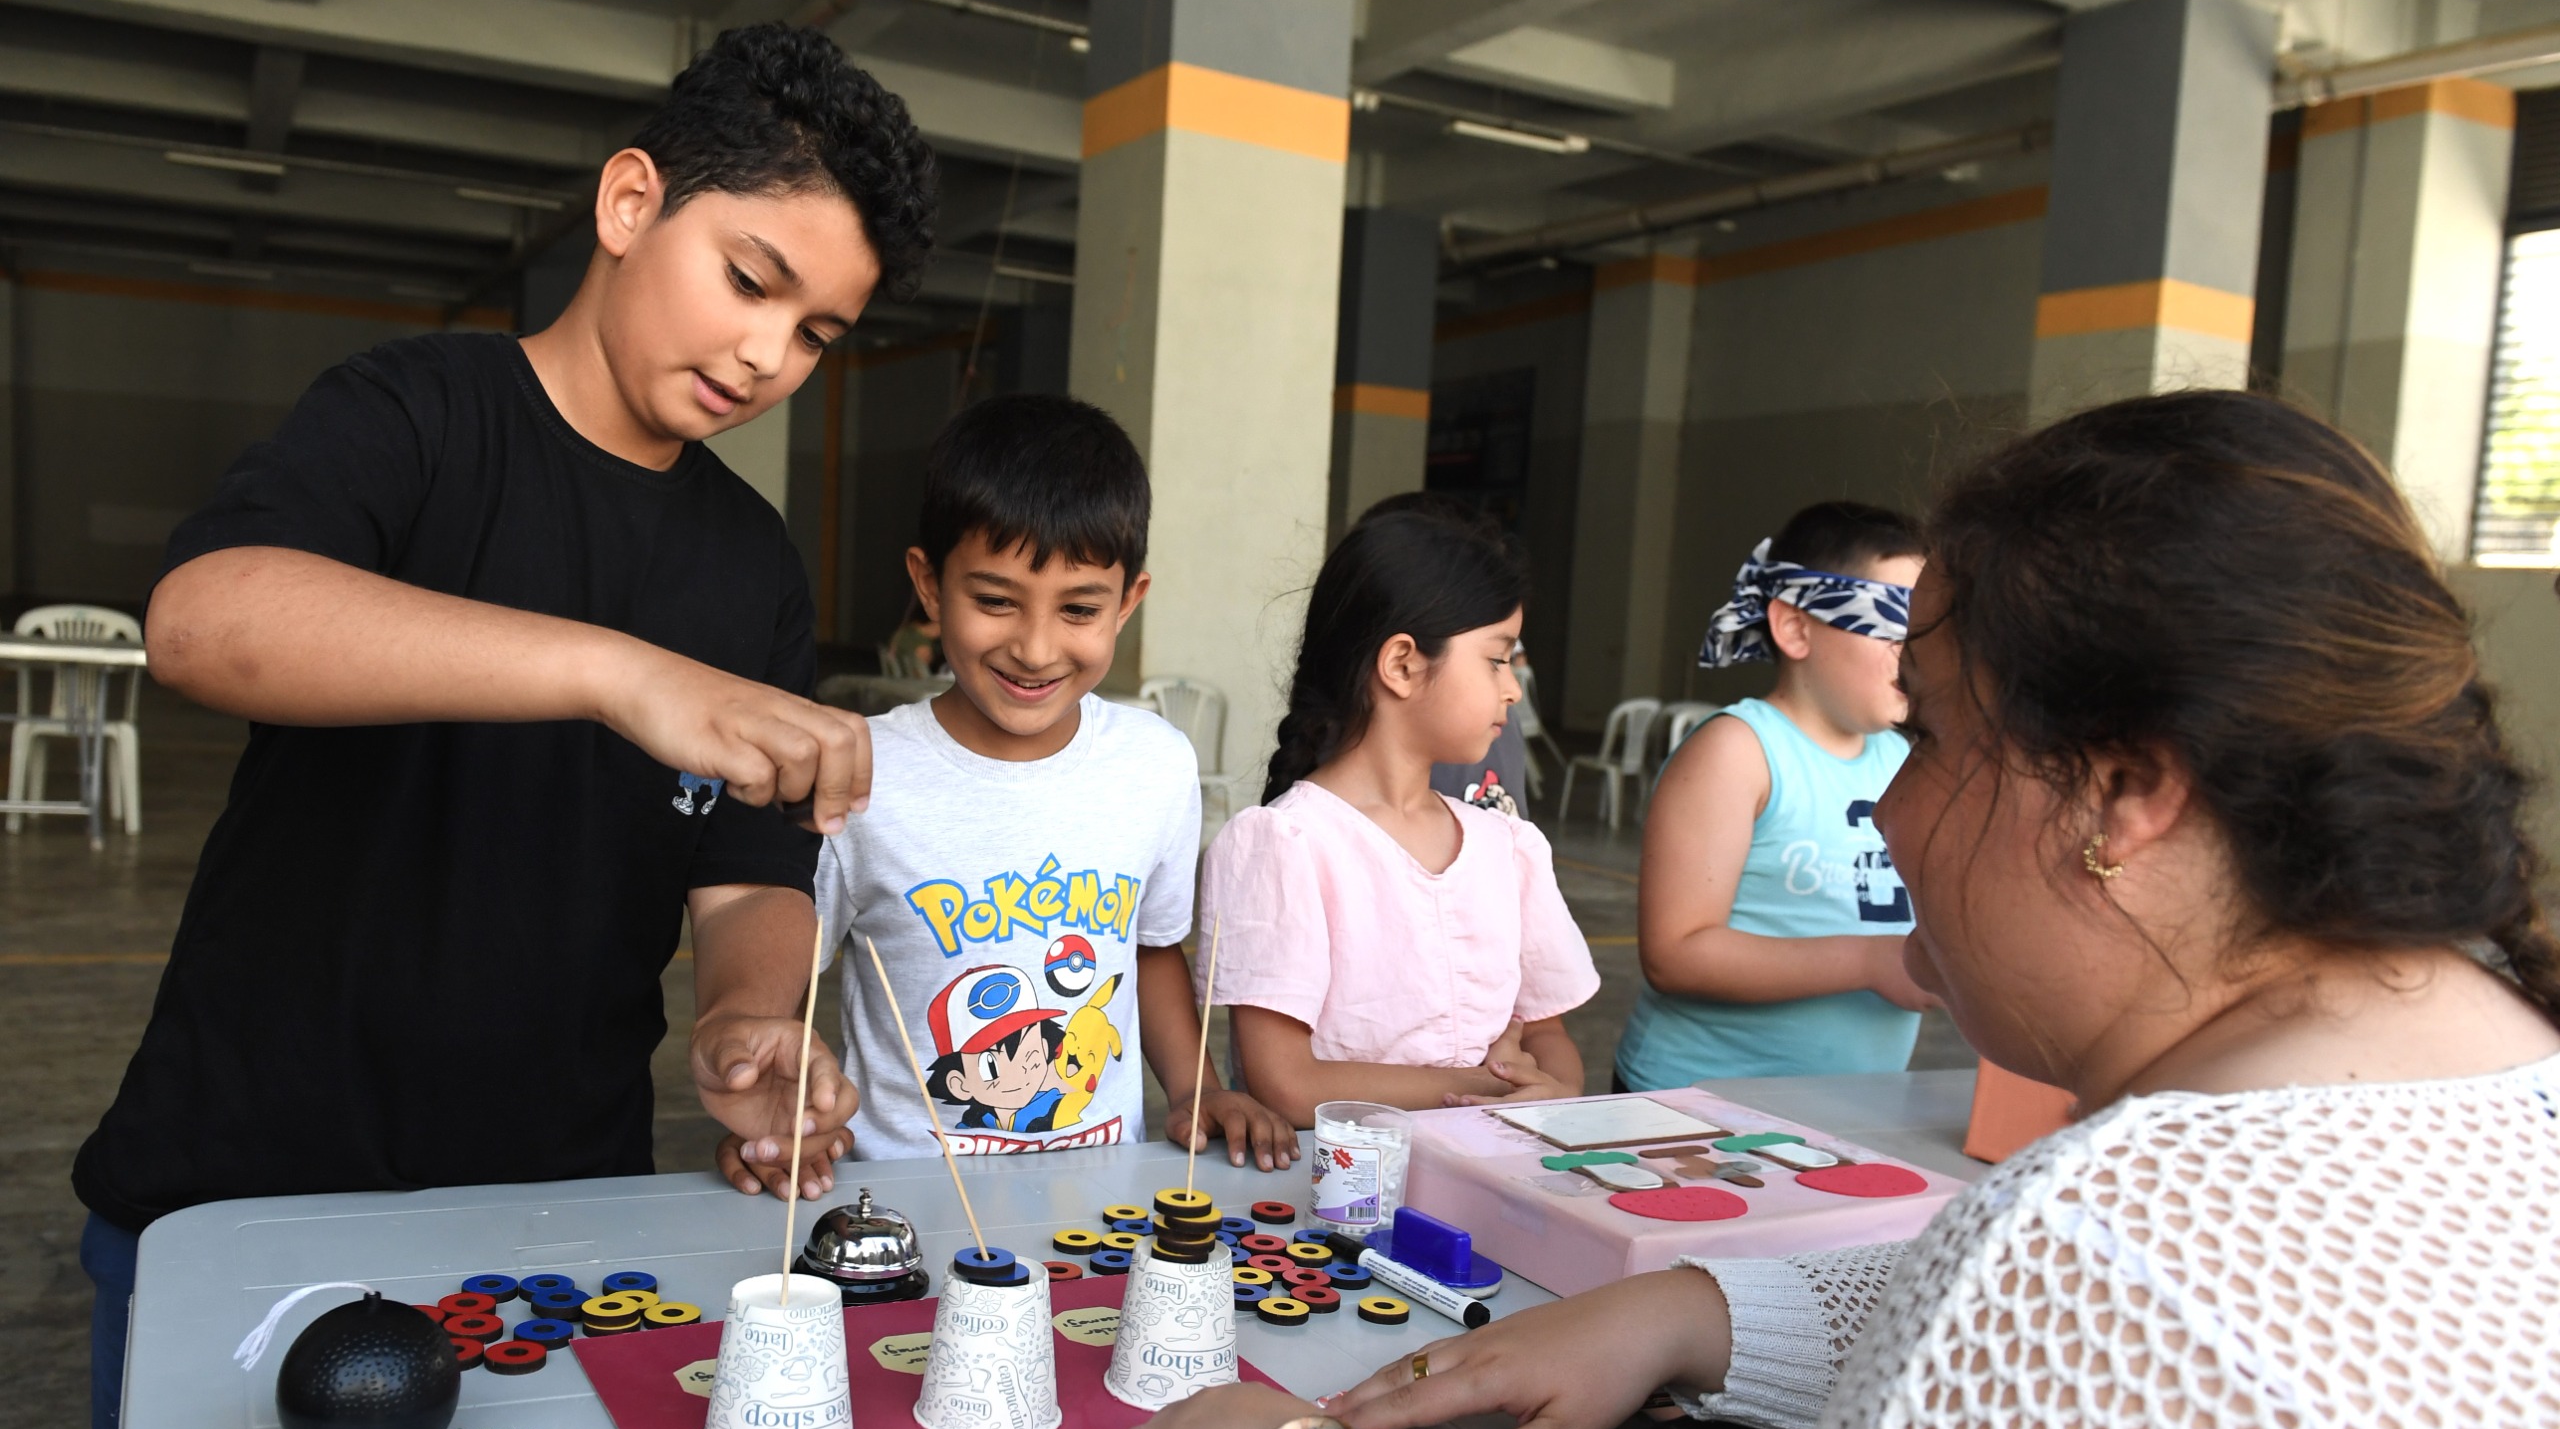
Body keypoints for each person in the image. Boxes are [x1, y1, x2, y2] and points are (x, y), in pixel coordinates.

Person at [1037, 391, 2560, 1429]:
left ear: (2126, 795)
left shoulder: (2108, 1261)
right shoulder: (2503, 1070)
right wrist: (1705, 1309)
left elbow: (2119, 1352)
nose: (1888, 817)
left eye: (1937, 741)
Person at [54, 26, 936, 1429]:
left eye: (816, 332)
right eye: (748, 280)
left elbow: (750, 872)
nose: (766, 355)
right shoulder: (414, 411)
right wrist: (616, 670)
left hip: (543, 1222)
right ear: (628, 202)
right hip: (243, 1183)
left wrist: (753, 1017)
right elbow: (207, 619)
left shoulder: (746, 567)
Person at [728, 392, 1295, 1170]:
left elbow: (1151, 947)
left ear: (1129, 601)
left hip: (1100, 1198)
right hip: (910, 1198)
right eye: (995, 601)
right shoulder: (862, 772)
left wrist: (1195, 1088)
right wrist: (780, 1106)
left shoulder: (1155, 765)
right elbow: (787, 952)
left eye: (1079, 609)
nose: (1034, 648)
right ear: (929, 587)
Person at [1195, 497, 1599, 1126]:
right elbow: (1289, 1084)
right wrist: (1485, 1086)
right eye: (1497, 658)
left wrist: (1553, 1091)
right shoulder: (1285, 844)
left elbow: (1550, 1041)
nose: (1513, 688)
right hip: (1341, 1200)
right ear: (1403, 664)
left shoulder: (1510, 847)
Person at [1613, 502, 1934, 1091]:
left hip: (1856, 1107)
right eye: (1891, 624)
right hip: (1698, 1105)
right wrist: (1868, 962)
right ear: (1794, 627)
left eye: (1928, 629)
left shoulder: (1906, 760)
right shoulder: (1739, 753)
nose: (1914, 652)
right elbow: (1675, 954)